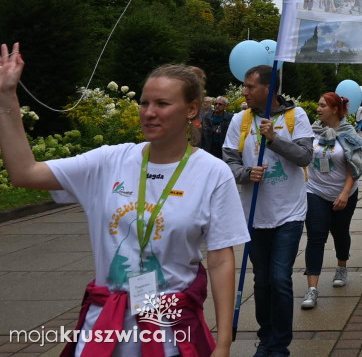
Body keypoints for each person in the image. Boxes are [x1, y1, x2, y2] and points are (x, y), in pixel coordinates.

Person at [0, 44, 249, 357]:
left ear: (191, 110)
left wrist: (223, 343)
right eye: (144, 103)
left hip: (172, 332)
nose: (148, 112)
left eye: (162, 103)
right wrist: (7, 96)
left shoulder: (213, 173)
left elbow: (221, 258)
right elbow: (25, 173)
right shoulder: (109, 161)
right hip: (104, 329)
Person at [223, 65, 314, 357]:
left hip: (289, 212)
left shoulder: (295, 116)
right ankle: (266, 336)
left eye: (250, 87)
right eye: (244, 86)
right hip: (254, 214)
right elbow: (229, 164)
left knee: (279, 278)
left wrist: (274, 140)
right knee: (260, 281)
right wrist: (247, 173)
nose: (244, 92)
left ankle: (278, 345)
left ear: (269, 88)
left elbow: (304, 157)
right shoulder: (240, 120)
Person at [301, 92, 362, 309]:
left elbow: (355, 166)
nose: (318, 109)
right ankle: (312, 289)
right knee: (316, 237)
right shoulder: (311, 131)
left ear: (335, 109)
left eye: (323, 106)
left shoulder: (349, 134)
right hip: (316, 191)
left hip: (344, 191)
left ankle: (341, 266)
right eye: (318, 105)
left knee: (340, 232)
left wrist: (345, 193)